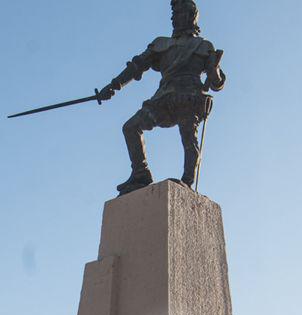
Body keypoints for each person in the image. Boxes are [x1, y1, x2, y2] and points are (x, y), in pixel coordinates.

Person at [95, 0, 227, 194]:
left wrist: (214, 70)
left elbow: (216, 83)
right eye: (173, 14)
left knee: (189, 139)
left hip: (188, 97)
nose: (175, 18)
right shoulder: (161, 43)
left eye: (180, 13)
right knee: (131, 127)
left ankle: (187, 181)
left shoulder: (202, 45)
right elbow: (136, 66)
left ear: (191, 16)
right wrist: (113, 86)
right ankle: (141, 173)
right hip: (163, 97)